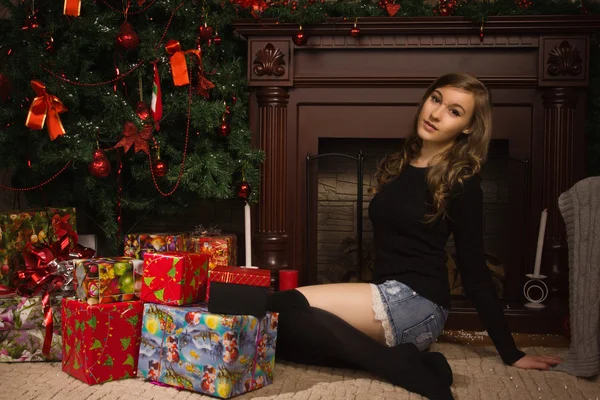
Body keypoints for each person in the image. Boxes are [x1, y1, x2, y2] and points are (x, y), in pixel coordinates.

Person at [266, 73, 561, 400]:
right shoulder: (401, 163)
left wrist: (511, 352)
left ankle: (404, 369)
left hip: (418, 304)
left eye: (454, 111)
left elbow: (475, 270)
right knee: (275, 336)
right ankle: (409, 361)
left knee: (283, 306)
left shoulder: (462, 181)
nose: (435, 113)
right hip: (386, 295)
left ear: (467, 128)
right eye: (435, 99)